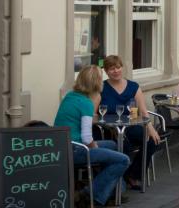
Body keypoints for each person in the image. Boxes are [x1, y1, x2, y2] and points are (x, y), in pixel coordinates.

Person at [54, 65, 129, 207]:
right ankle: (90, 194)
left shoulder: (70, 96)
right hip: (76, 149)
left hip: (61, 146)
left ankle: (115, 190)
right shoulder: (87, 103)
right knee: (123, 160)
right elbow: (87, 138)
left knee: (113, 145)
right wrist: (94, 148)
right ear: (96, 83)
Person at [101, 55, 162, 190]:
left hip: (129, 126)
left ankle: (133, 175)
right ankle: (116, 180)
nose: (116, 71)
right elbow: (94, 113)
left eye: (118, 67)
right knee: (124, 145)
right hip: (109, 129)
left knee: (152, 140)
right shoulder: (101, 88)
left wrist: (150, 128)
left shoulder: (133, 87)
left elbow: (143, 111)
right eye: (111, 69)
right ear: (106, 71)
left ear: (122, 68)